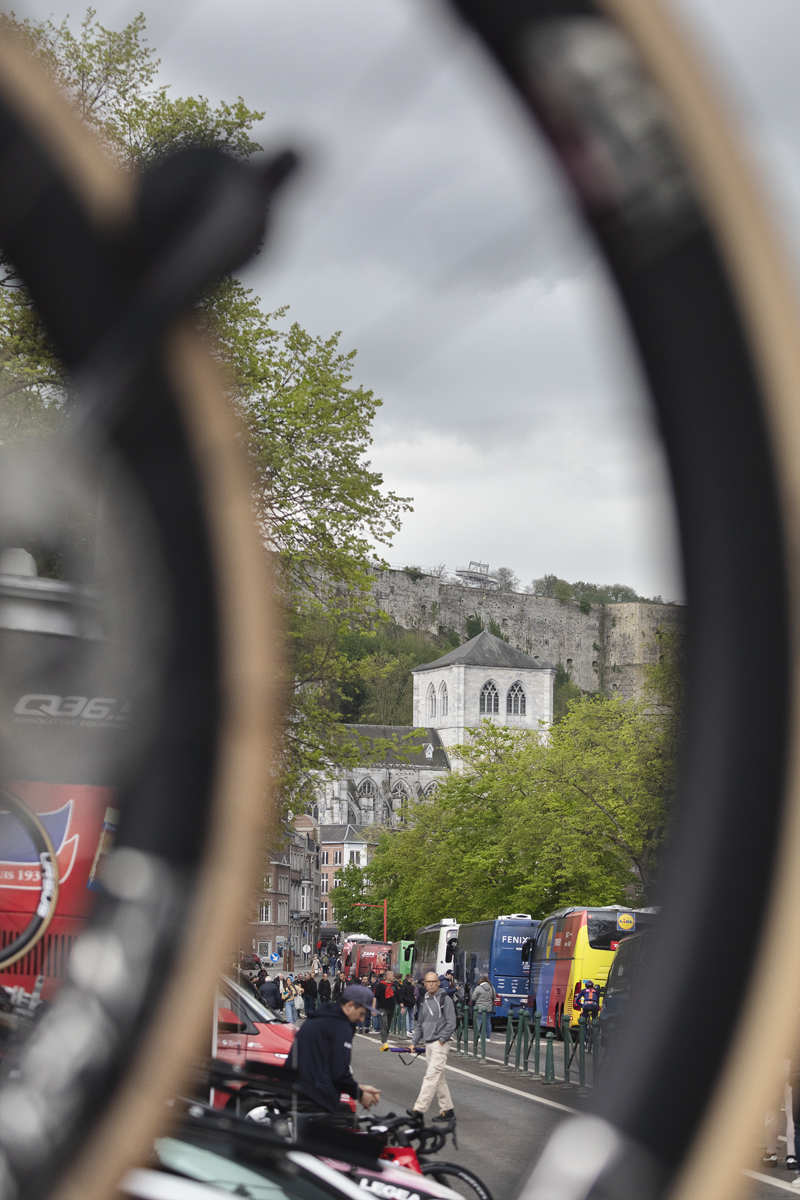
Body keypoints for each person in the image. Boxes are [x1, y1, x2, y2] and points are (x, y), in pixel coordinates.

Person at [287, 983, 381, 1114]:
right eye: (361, 1013)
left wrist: (358, 1087)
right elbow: (339, 1073)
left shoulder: (321, 1018)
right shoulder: (341, 1026)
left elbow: (322, 1066)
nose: (361, 1019)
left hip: (296, 1091)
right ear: (349, 1006)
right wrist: (360, 1094)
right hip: (315, 1099)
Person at [410, 971, 457, 1121]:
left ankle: (418, 1110)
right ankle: (448, 1110)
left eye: (433, 981)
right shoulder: (424, 1000)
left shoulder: (445, 999)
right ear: (424, 984)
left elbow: (451, 1023)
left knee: (431, 1077)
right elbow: (420, 1024)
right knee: (438, 1079)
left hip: (440, 1044)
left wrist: (442, 1040)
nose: (430, 984)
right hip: (429, 1043)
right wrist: (413, 1042)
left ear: (438, 983)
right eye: (428, 982)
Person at [373, 971, 397, 1045]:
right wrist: (373, 1009)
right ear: (388, 976)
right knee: (384, 1024)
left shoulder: (394, 986)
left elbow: (398, 996)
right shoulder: (380, 985)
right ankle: (384, 1042)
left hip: (391, 1008)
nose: (394, 977)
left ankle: (384, 1039)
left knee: (388, 1026)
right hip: (382, 1008)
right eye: (393, 976)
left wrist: (402, 1005)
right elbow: (375, 997)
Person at [471, 975, 495, 1043]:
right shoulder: (492, 988)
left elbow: (473, 998)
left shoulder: (478, 988)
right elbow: (494, 997)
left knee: (479, 1021)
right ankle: (488, 1037)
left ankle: (479, 1037)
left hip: (480, 1008)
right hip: (489, 1008)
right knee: (488, 1022)